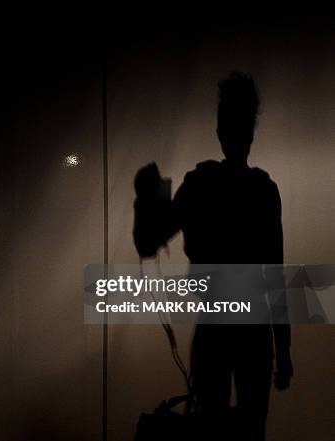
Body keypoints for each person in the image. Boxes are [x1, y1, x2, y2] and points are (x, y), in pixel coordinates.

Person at [133, 72, 293, 441]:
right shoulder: (264, 192)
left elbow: (147, 242)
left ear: (220, 130)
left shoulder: (201, 184)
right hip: (253, 335)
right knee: (248, 431)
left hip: (215, 330)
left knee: (209, 432)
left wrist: (150, 196)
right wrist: (283, 350)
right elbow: (275, 276)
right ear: (250, 132)